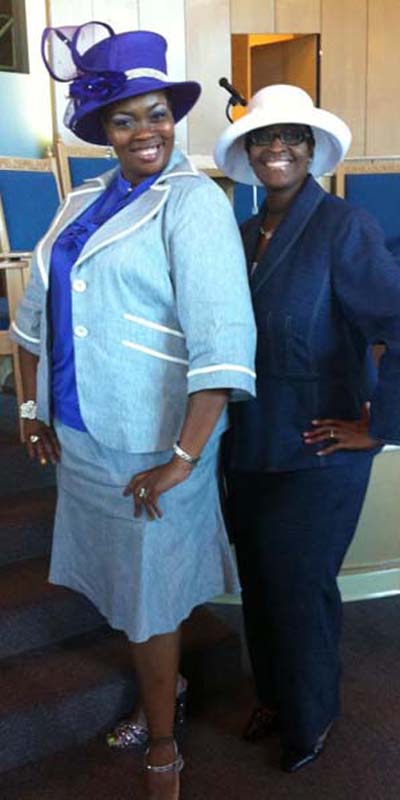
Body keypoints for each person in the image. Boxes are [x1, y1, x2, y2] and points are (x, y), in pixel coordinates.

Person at [11, 22, 256, 800]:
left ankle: (162, 741)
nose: (146, 131)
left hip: (155, 443)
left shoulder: (195, 203)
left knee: (151, 595)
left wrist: (181, 460)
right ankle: (166, 689)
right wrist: (30, 405)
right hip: (83, 431)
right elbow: (33, 312)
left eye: (157, 114)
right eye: (124, 119)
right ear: (103, 129)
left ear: (173, 117)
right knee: (126, 587)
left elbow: (223, 341)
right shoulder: (80, 198)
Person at [214, 84, 400, 773]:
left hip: (317, 453)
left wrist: (381, 426)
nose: (277, 148)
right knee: (260, 583)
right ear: (248, 150)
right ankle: (274, 696)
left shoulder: (345, 227)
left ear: (312, 150)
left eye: (292, 136)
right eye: (263, 137)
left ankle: (310, 716)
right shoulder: (241, 235)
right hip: (249, 444)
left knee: (299, 587)